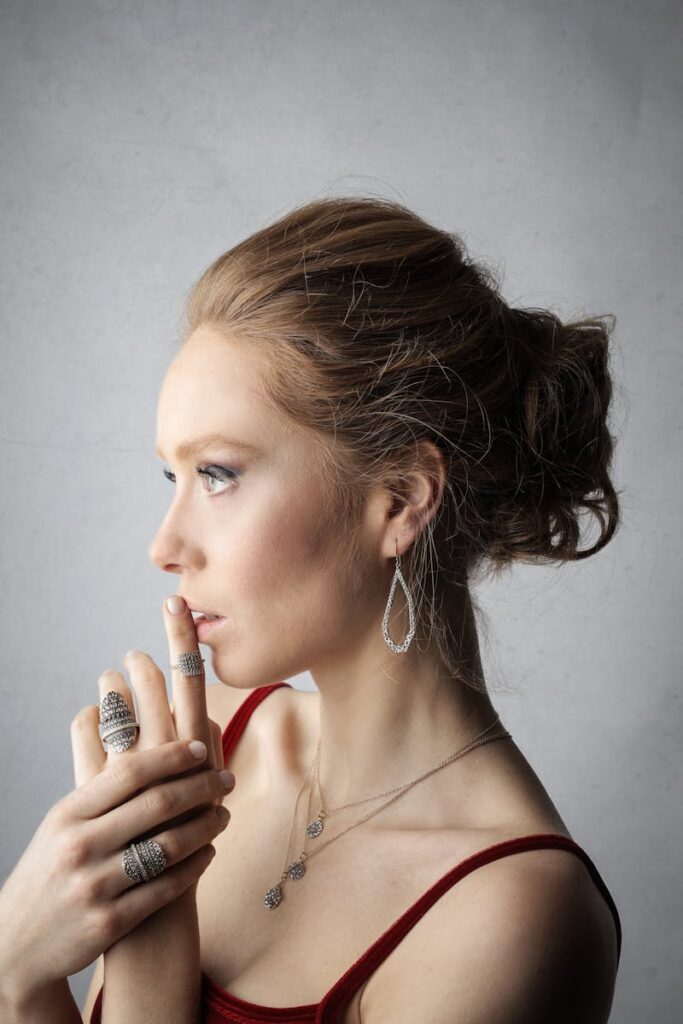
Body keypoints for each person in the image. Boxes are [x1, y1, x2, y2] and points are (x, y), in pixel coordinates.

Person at [0, 196, 622, 1023]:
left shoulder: (510, 917)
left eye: (217, 474)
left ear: (399, 498)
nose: (164, 545)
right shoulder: (207, 748)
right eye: (171, 477)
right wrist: (19, 975)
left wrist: (147, 943)